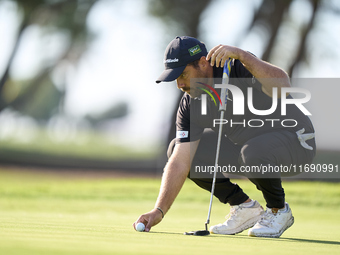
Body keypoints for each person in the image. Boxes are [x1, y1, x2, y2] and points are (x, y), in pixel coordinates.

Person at [133, 36, 316, 238]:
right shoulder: (190, 104)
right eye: (175, 78)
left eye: (183, 74)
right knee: (176, 148)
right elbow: (180, 162)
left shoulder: (236, 68)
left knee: (253, 152)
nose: (179, 84)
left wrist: (242, 55)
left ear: (203, 63)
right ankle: (244, 207)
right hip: (250, 151)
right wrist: (159, 211)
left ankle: (278, 210)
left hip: (296, 143)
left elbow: (283, 86)